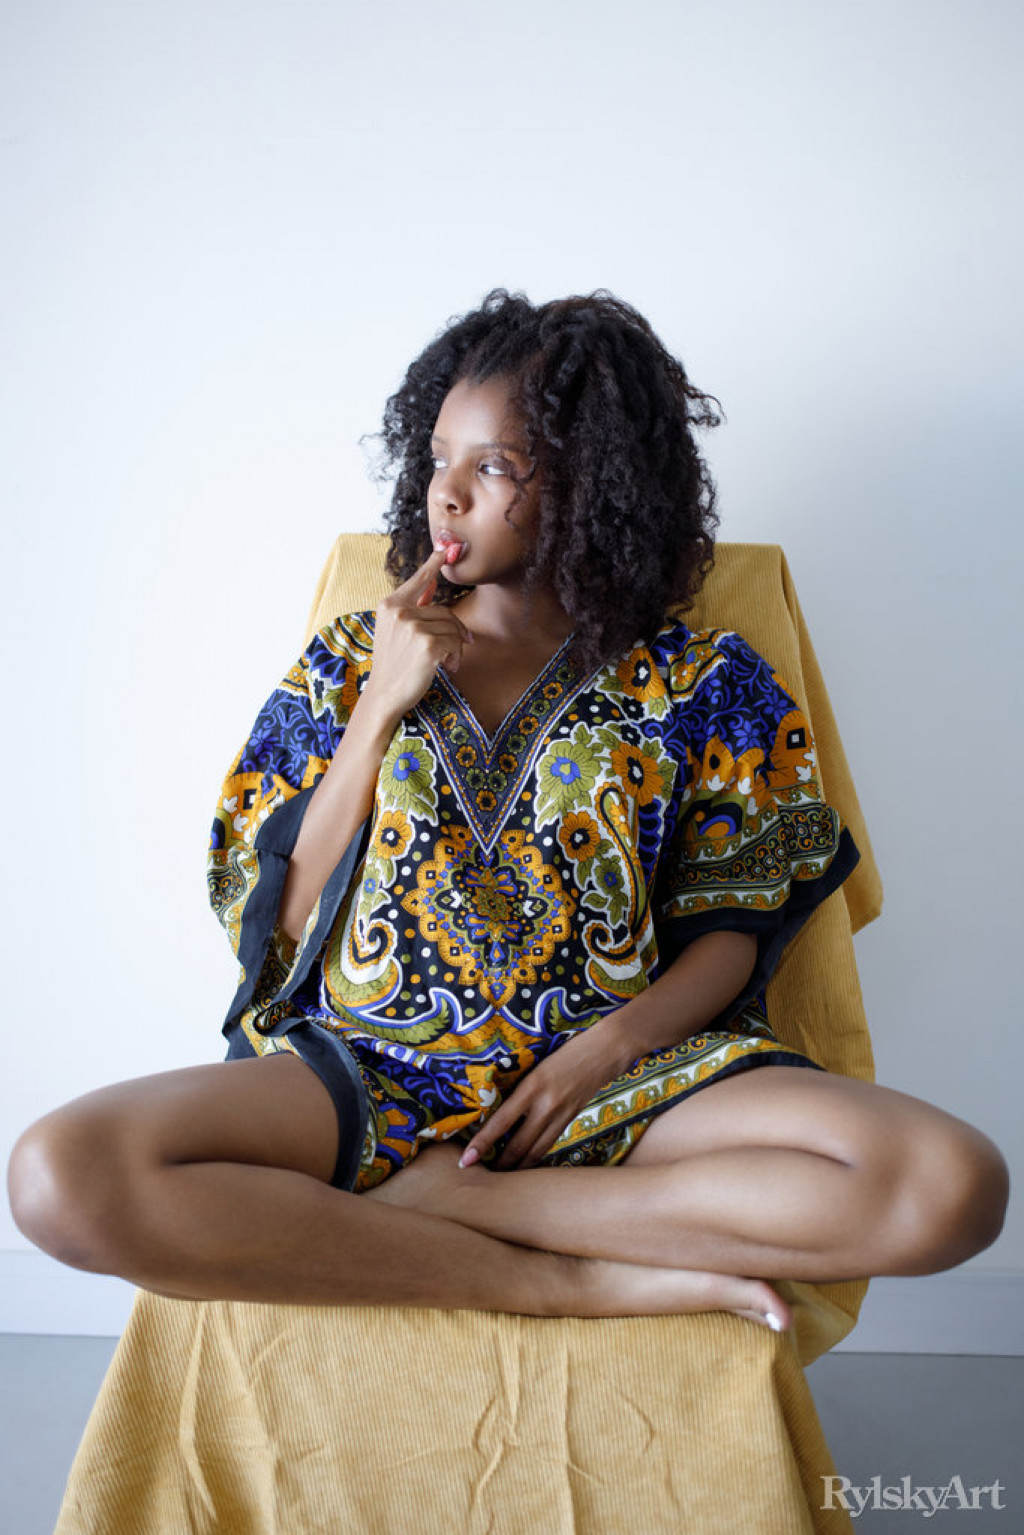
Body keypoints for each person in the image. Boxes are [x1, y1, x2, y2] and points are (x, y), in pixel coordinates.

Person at [8, 290, 1008, 1331]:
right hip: (369, 1070)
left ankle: (472, 1202)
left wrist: (603, 1052)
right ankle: (551, 1278)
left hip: (616, 1079)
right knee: (59, 1174)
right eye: (440, 458)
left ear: (592, 479)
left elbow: (730, 934)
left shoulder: (707, 680)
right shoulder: (350, 661)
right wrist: (379, 708)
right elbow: (286, 918)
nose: (445, 494)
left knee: (949, 1184)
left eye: (491, 467)